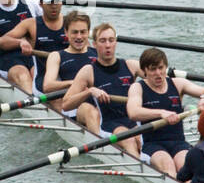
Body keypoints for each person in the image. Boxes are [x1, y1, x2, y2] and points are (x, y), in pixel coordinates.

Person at [125, 47, 204, 175]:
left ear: (166, 67)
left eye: (161, 68)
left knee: (186, 167)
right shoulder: (137, 87)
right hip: (152, 145)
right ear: (144, 70)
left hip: (178, 142)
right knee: (168, 165)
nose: (158, 73)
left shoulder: (178, 84)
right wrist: (161, 113)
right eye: (153, 69)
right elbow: (133, 112)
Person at [60, 22, 143, 157]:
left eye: (111, 40)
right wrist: (89, 91)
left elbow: (159, 77)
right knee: (129, 140)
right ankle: (142, 170)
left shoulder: (131, 65)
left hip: (133, 120)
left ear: (116, 42)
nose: (108, 45)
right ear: (94, 45)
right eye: (102, 41)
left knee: (142, 139)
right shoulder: (88, 71)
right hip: (110, 125)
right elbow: (65, 104)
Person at [0, 0, 68, 95]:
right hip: (44, 78)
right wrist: (20, 42)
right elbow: (3, 40)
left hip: (67, 74)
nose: (54, 6)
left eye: (56, 1)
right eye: (49, 2)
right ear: (40, 4)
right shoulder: (30, 24)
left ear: (61, 2)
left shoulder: (71, 24)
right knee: (59, 101)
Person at [41, 10, 98, 120]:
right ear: (66, 32)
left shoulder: (97, 52)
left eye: (83, 32)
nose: (79, 36)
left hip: (98, 101)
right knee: (89, 110)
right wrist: (75, 83)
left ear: (88, 32)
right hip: (74, 108)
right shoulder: (57, 56)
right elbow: (47, 86)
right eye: (75, 32)